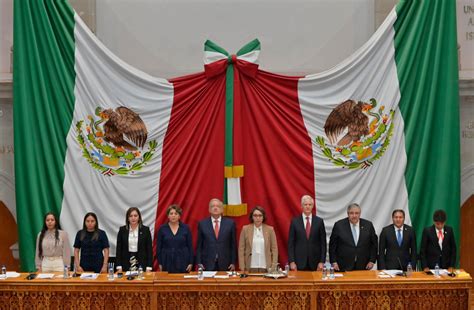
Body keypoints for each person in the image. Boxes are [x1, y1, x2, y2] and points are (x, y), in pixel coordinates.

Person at [329, 203, 378, 271]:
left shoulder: (368, 225)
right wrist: (333, 262)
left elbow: (374, 245)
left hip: (364, 265)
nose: (354, 216)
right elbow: (332, 245)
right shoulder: (339, 225)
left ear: (360, 214)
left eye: (356, 213)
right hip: (342, 265)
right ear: (347, 213)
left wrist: (372, 260)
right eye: (351, 213)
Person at [287, 195, 327, 271]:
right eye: (305, 205)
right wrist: (292, 261)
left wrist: (322, 261)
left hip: (315, 263)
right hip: (298, 263)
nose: (307, 207)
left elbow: (323, 244)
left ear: (313, 206)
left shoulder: (319, 222)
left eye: (310, 204)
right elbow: (291, 244)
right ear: (301, 206)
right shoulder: (295, 222)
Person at [196, 198, 236, 271]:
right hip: (207, 263)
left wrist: (233, 262)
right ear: (209, 209)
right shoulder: (202, 224)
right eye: (212, 206)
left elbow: (233, 245)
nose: (215, 208)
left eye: (218, 206)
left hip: (226, 263)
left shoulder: (230, 223)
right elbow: (199, 245)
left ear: (222, 209)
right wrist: (199, 262)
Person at [238, 206, 278, 273]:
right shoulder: (245, 229)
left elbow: (274, 249)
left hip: (266, 267)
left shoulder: (270, 230)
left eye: (260, 215)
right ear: (252, 217)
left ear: (263, 217)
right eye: (255, 215)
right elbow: (241, 249)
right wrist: (242, 267)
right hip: (250, 267)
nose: (258, 218)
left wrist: (273, 266)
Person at [156, 205, 193, 273]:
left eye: (176, 213)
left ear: (179, 216)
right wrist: (160, 263)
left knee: (182, 282)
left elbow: (190, 246)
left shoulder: (186, 228)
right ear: (168, 216)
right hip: (166, 261)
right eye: (171, 213)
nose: (173, 215)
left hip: (183, 261)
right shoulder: (162, 229)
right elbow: (159, 248)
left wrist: (190, 262)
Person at [116, 207, 153, 272]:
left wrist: (149, 266)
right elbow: (119, 249)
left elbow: (149, 250)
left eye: (135, 216)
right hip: (125, 263)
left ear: (139, 217)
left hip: (142, 263)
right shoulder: (122, 230)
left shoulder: (145, 230)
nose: (133, 218)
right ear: (128, 218)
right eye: (130, 216)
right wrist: (119, 266)